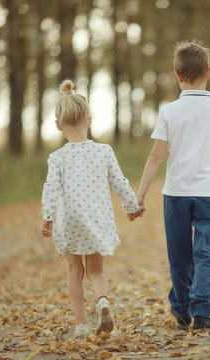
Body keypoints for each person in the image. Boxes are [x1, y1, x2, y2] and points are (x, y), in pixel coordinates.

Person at [131, 41, 210, 331]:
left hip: (175, 195)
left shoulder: (168, 112)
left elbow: (155, 157)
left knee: (179, 255)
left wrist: (140, 196)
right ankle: (202, 310)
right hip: (208, 195)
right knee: (208, 254)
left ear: (177, 74)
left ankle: (181, 307)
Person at [40, 80, 145, 339]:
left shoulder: (58, 158)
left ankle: (81, 324)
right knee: (96, 271)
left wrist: (47, 217)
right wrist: (132, 206)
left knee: (75, 271)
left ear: (58, 125)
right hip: (97, 220)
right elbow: (119, 182)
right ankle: (102, 300)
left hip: (70, 222)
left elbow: (50, 189)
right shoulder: (104, 152)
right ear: (89, 120)